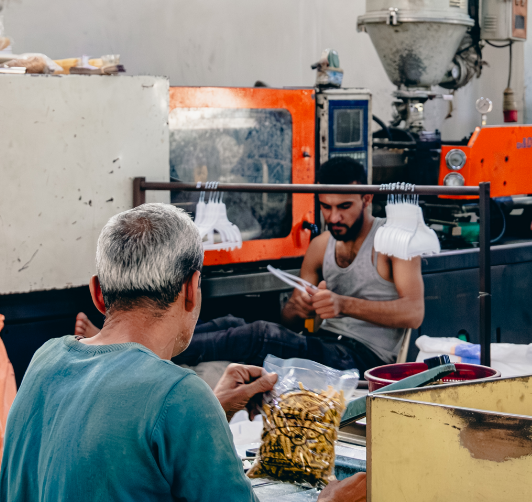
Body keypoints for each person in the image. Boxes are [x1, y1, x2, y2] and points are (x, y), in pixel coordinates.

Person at [2, 203, 398, 502]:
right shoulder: (178, 398)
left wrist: (212, 409)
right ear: (192, 289)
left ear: (99, 292)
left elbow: (123, 443)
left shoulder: (46, 361)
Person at [74, 157, 424, 372]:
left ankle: (132, 352)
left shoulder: (392, 241)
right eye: (326, 207)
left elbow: (414, 313)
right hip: (323, 343)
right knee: (232, 323)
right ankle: (125, 339)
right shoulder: (320, 246)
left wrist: (342, 304)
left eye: (344, 207)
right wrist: (299, 307)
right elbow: (291, 320)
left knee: (259, 336)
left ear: (367, 198)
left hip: (363, 360)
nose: (333, 217)